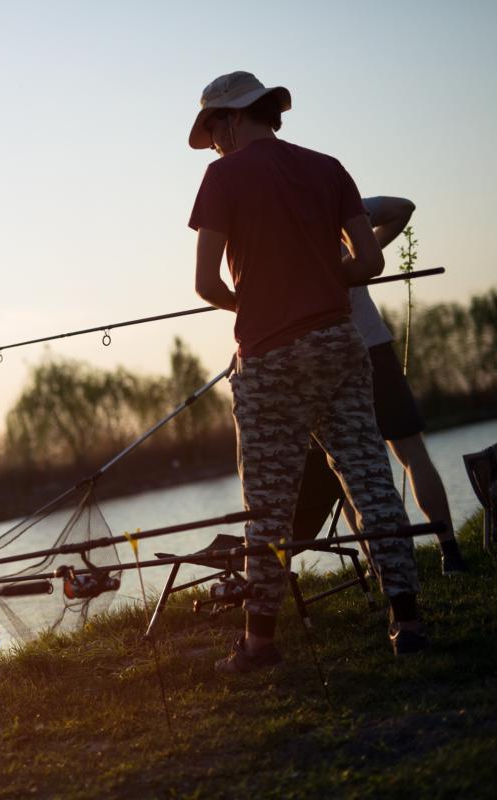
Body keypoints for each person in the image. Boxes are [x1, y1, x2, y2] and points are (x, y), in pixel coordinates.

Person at [186, 71, 427, 672]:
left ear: (232, 119)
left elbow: (206, 284)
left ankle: (260, 641)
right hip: (340, 345)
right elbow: (368, 260)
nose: (213, 145)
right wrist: (322, 281)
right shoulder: (328, 167)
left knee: (267, 503)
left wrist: (262, 301)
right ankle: (408, 619)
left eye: (213, 131)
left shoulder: (221, 177)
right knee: (370, 478)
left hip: (269, 359)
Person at [292, 196, 467, 575]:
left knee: (354, 470)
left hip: (337, 357)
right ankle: (444, 554)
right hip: (356, 352)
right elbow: (401, 208)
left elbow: (403, 207)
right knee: (400, 456)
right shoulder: (328, 206)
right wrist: (358, 255)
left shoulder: (311, 215)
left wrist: (361, 253)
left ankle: (403, 563)